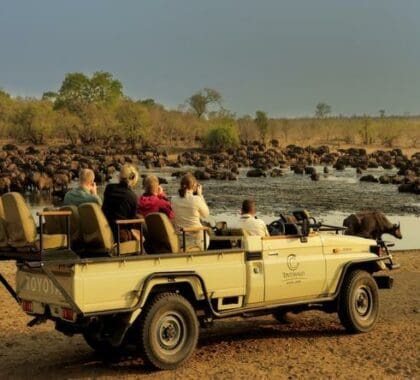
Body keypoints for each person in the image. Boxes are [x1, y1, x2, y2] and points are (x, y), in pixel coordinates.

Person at [171, 173, 210, 250]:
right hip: (197, 239)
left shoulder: (173, 199)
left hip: (180, 239)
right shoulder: (197, 199)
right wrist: (200, 195)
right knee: (208, 233)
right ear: (194, 186)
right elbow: (206, 215)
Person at [102, 164, 139, 242]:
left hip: (105, 228)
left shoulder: (109, 188)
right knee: (142, 226)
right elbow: (131, 223)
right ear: (133, 178)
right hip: (120, 234)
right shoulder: (133, 196)